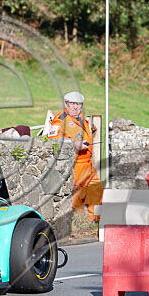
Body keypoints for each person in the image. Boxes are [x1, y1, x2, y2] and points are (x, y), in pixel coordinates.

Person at [48, 91, 102, 221]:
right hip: (75, 163)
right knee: (77, 195)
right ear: (66, 104)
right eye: (72, 104)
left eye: (79, 104)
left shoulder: (82, 118)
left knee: (96, 190)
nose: (75, 107)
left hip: (87, 164)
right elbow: (54, 141)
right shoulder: (60, 120)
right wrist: (75, 145)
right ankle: (77, 223)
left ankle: (94, 220)